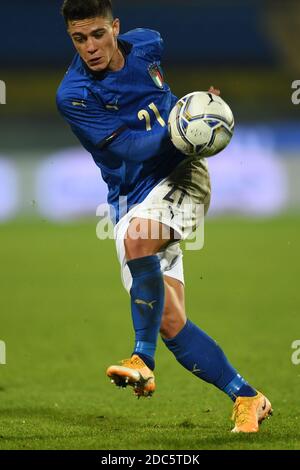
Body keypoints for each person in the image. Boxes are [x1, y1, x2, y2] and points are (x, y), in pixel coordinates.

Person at [57, 0, 272, 433]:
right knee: (171, 322)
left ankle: (141, 357)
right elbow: (130, 150)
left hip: (181, 177)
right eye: (79, 38)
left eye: (98, 34)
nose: (91, 47)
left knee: (139, 241)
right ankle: (249, 398)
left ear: (115, 28)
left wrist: (199, 112)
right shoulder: (75, 95)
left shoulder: (146, 45)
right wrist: (184, 128)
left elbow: (161, 72)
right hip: (130, 198)